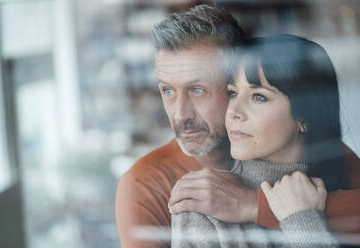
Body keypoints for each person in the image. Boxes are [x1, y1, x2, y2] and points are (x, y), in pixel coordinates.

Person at [115, 5, 360, 248]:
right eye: (167, 91)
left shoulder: (326, 155)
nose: (180, 115)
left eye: (198, 90)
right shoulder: (151, 185)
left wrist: (252, 204)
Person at [171, 34, 348, 248]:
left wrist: (303, 222)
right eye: (233, 93)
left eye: (258, 97)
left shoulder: (344, 195)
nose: (234, 111)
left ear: (305, 116)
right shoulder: (203, 205)